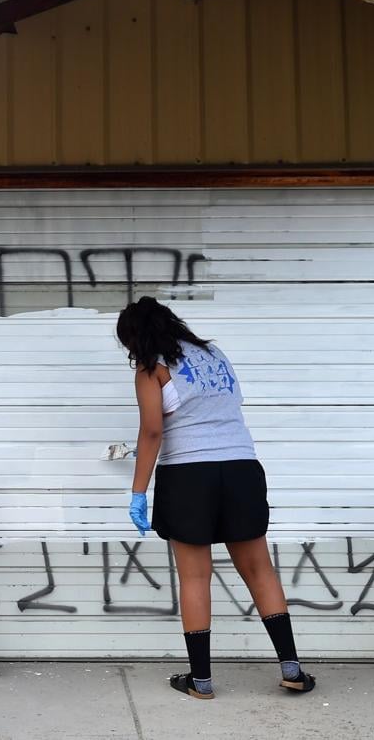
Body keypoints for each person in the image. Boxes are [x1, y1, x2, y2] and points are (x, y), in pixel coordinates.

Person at [114, 296, 316, 700]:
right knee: (260, 570)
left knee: (194, 576)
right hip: (241, 467)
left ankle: (201, 680)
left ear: (135, 338)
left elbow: (152, 431)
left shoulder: (151, 366)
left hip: (189, 474)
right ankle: (292, 668)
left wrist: (138, 491)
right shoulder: (214, 354)